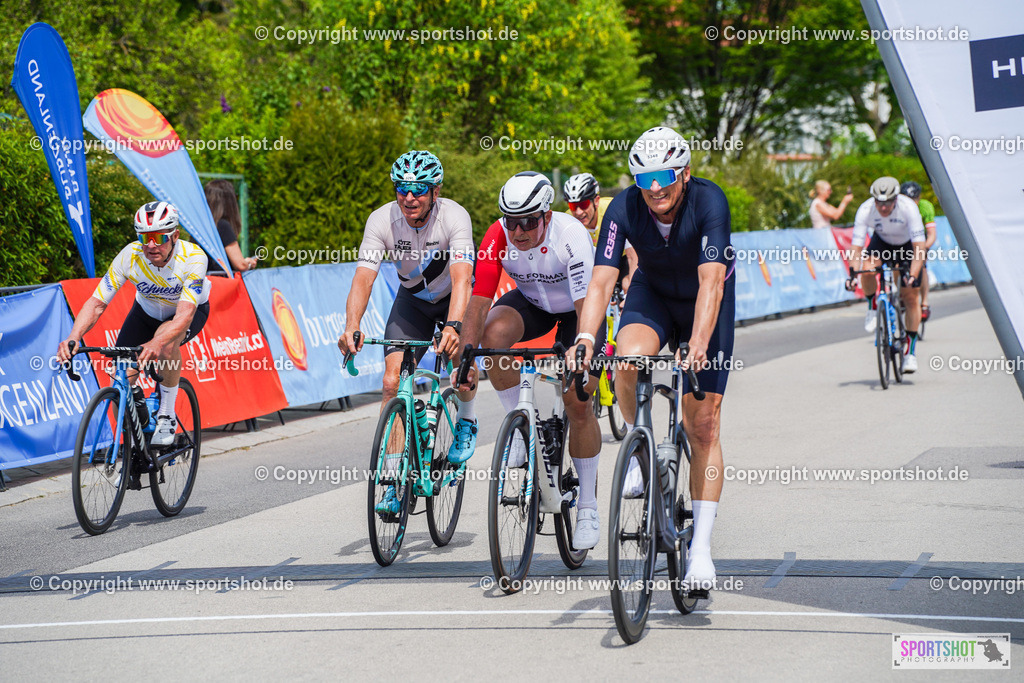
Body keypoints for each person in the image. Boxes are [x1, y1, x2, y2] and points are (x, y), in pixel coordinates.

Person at [576, 126, 735, 587]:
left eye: (664, 176)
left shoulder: (709, 201)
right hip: (654, 294)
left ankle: (700, 550)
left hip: (706, 303)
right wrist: (587, 338)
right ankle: (641, 447)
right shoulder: (625, 208)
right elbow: (602, 281)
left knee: (702, 423)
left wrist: (699, 343)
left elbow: (712, 283)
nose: (656, 188)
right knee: (626, 362)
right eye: (644, 179)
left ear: (684, 172)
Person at [454, 171, 604, 549]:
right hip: (533, 303)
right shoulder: (497, 236)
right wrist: (467, 356)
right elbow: (479, 299)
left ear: (547, 216)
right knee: (492, 335)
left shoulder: (571, 236)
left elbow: (587, 306)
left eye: (528, 222)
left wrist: (582, 347)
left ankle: (587, 503)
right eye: (511, 221)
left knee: (577, 400)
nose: (518, 231)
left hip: (577, 309)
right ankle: (520, 424)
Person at [336, 150, 476, 510]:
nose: (408, 197)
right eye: (401, 188)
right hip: (412, 302)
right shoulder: (381, 220)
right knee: (391, 381)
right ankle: (395, 482)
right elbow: (364, 277)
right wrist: (352, 324)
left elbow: (462, 278)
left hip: (452, 301)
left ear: (435, 191)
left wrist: (455, 326)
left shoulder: (455, 217)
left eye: (417, 189)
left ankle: (466, 422)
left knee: (462, 366)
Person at [56, 201, 211, 446]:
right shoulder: (131, 255)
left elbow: (184, 317)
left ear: (175, 236)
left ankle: (167, 414)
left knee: (167, 342)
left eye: (159, 237)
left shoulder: (193, 257)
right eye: (144, 237)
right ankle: (129, 450)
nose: (151, 245)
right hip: (145, 312)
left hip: (188, 312)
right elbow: (97, 303)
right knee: (120, 383)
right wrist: (73, 337)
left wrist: (156, 343)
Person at [846, 177, 926, 373]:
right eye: (879, 203)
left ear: (896, 199)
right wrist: (852, 274)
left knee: (910, 296)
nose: (883, 208)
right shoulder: (865, 210)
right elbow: (856, 248)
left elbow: (919, 248)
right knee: (867, 268)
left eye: (888, 203)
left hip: (907, 246)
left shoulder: (908, 208)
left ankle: (910, 353)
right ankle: (873, 307)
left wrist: (913, 274)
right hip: (881, 243)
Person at [564, 172, 638, 290]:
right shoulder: (568, 219)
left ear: (596, 201)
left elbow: (632, 252)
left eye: (583, 204)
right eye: (573, 206)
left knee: (628, 285)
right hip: (594, 262)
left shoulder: (613, 209)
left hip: (622, 257)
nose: (578, 212)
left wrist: (633, 284)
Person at [900, 181, 937, 323]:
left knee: (921, 264)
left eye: (914, 200)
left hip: (921, 240)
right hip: (904, 240)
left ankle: (925, 303)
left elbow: (932, 234)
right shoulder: (899, 208)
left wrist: (924, 249)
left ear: (919, 198)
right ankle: (901, 295)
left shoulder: (925, 207)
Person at [204, 179, 257, 274]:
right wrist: (248, 264)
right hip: (220, 284)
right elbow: (240, 265)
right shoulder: (222, 225)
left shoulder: (204, 225)